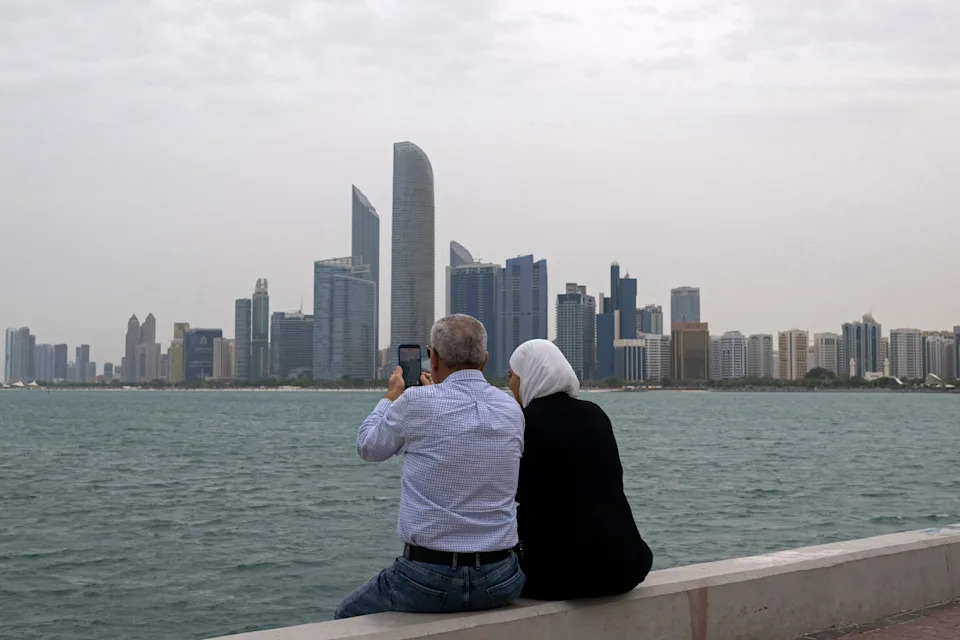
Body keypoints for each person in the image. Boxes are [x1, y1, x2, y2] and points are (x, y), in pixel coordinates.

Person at [335, 314, 526, 619]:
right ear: (485, 360)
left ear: (433, 358)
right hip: (501, 577)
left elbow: (368, 446)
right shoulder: (511, 409)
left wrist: (392, 396)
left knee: (345, 616)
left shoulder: (414, 402)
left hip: (427, 577)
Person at [508, 339, 653, 600]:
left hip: (558, 577)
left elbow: (515, 491)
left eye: (512, 376)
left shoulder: (525, 424)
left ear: (528, 375)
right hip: (624, 566)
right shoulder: (595, 414)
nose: (511, 385)